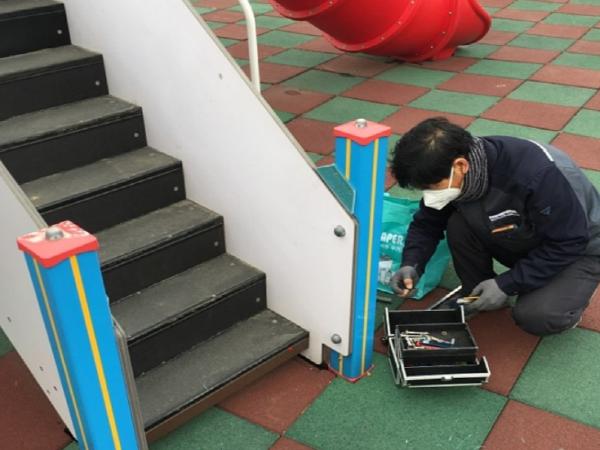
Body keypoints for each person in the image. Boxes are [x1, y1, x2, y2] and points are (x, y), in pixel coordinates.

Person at [389, 117, 600, 336]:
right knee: (458, 223)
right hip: (523, 235)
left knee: (537, 316)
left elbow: (569, 242)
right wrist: (412, 263)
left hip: (578, 249)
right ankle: (478, 293)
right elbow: (427, 223)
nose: (430, 195)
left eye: (432, 187)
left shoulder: (540, 175)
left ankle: (570, 303)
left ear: (460, 166)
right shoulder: (451, 165)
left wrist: (507, 283)